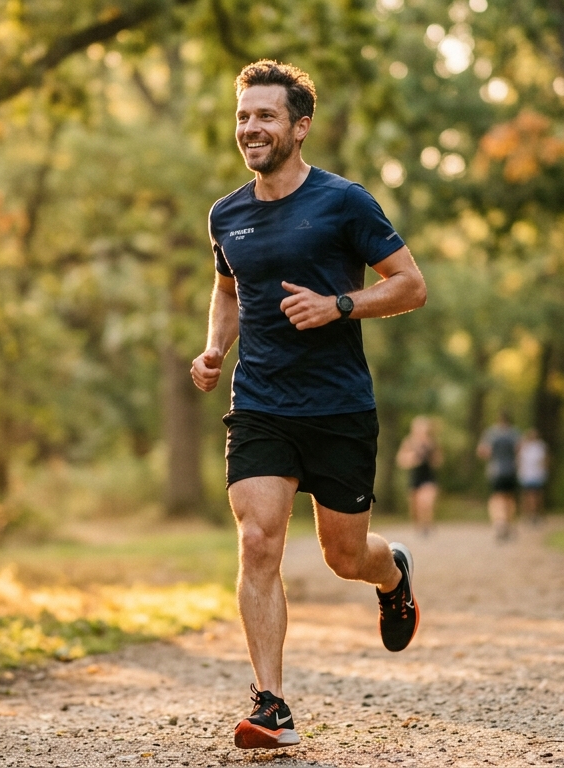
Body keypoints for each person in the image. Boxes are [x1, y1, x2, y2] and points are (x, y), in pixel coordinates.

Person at [190, 60, 428, 751]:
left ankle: (393, 573)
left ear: (300, 126)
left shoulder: (343, 202)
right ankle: (272, 705)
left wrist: (339, 306)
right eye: (242, 116)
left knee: (343, 556)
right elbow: (228, 289)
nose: (250, 127)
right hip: (261, 402)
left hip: (338, 406)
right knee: (258, 539)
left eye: (265, 115)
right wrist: (214, 350)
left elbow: (410, 285)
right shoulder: (226, 214)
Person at [477, 411, 520, 540]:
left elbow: (483, 451)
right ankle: (507, 522)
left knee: (496, 497)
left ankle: (498, 522)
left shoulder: (491, 433)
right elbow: (520, 449)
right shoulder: (514, 433)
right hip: (511, 470)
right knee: (509, 498)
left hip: (495, 470)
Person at [396, 416, 441, 537]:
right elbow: (401, 460)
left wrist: (433, 459)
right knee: (415, 506)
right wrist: (412, 459)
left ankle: (426, 525)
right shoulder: (409, 442)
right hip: (415, 477)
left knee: (426, 502)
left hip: (428, 477)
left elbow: (438, 460)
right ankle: (419, 525)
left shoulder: (431, 443)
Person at [518, 428, 549, 525]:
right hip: (527, 475)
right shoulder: (524, 446)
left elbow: (545, 460)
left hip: (537, 475)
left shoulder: (540, 446)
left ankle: (536, 515)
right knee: (528, 496)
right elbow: (519, 460)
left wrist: (544, 471)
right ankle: (528, 516)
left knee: (536, 496)